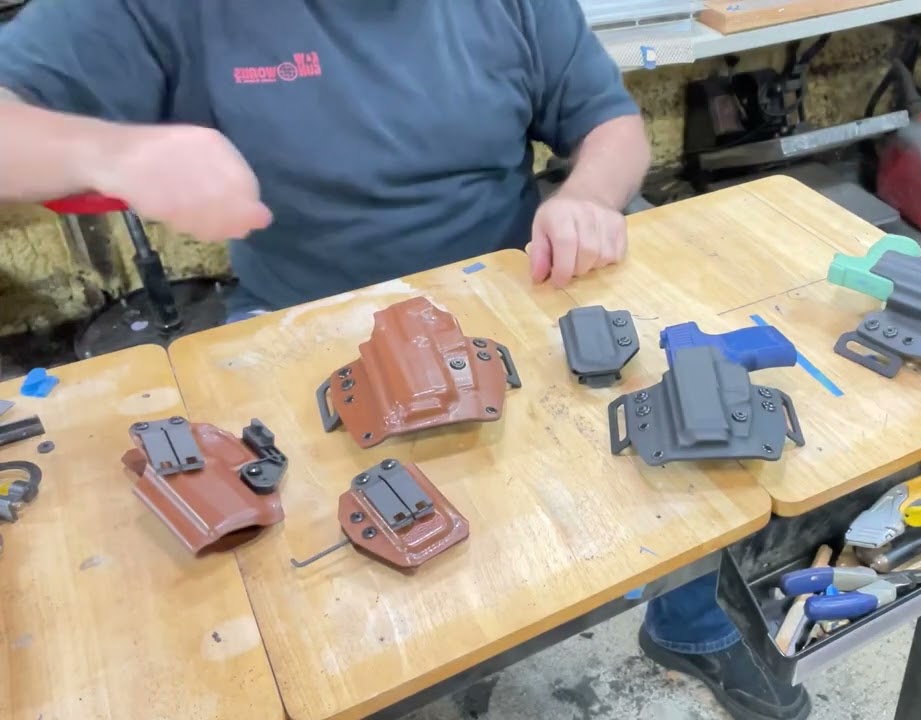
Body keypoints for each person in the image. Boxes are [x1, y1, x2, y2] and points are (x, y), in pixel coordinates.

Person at [0, 3, 807, 718]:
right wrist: (109, 151)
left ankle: (691, 627)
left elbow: (611, 124)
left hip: (506, 287)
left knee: (687, 423)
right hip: (302, 324)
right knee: (292, 564)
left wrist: (588, 198)